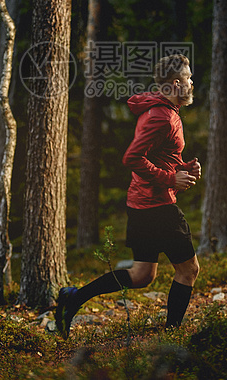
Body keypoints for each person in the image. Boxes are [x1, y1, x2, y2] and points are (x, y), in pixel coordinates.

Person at [55, 53, 201, 338]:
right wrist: (172, 178)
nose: (192, 83)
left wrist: (183, 166)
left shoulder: (163, 111)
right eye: (189, 78)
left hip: (143, 204)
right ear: (175, 83)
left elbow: (157, 154)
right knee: (189, 270)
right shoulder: (161, 116)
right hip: (157, 206)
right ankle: (172, 335)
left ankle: (72, 298)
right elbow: (132, 158)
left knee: (142, 275)